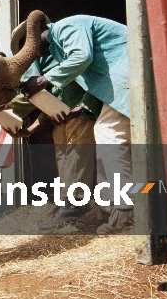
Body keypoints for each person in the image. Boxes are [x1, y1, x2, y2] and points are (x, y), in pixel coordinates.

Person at [18, 14, 132, 235]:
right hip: (121, 80)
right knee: (104, 138)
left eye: (30, 45)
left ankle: (127, 211)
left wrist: (43, 80)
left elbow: (82, 56)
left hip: (129, 71)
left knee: (109, 133)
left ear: (41, 29)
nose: (31, 53)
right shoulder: (58, 51)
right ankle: (109, 209)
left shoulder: (66, 27)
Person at [6, 16, 102, 230]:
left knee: (77, 154)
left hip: (81, 110)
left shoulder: (67, 47)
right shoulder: (45, 62)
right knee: (64, 156)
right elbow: (52, 93)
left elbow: (87, 78)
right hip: (62, 115)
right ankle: (66, 204)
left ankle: (77, 203)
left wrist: (81, 108)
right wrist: (33, 127)